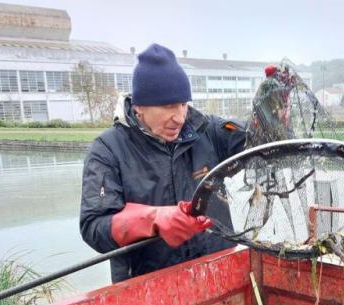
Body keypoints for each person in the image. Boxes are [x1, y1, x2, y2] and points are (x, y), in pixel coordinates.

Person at [80, 43, 246, 283]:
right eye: (168, 106)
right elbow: (93, 228)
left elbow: (260, 144)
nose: (179, 117)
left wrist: (272, 112)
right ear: (139, 107)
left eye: (182, 104)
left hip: (218, 277)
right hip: (148, 290)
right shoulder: (107, 149)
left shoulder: (209, 131)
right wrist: (154, 219)